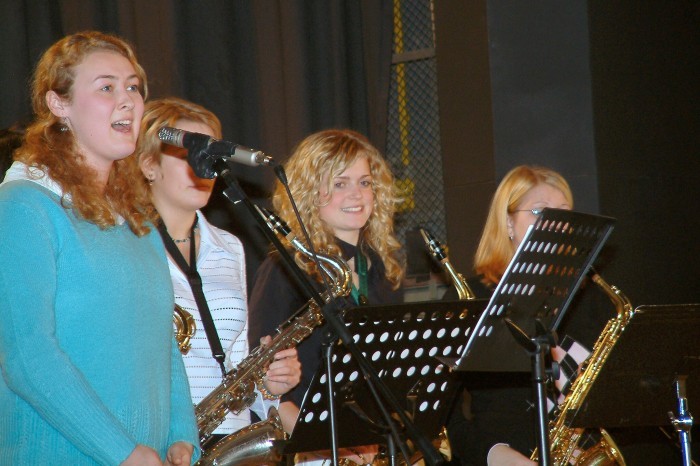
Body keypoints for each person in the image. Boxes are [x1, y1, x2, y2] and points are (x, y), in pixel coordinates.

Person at [0, 31, 198, 465]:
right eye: (107, 87)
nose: (127, 100)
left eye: (134, 87)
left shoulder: (137, 219)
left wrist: (182, 435)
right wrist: (123, 451)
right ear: (59, 104)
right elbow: (28, 357)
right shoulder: (23, 206)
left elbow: (162, 342)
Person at [133, 96, 301, 446]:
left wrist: (269, 384)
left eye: (210, 156)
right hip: (159, 439)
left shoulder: (229, 246)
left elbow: (234, 365)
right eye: (189, 154)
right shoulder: (121, 243)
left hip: (229, 438)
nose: (203, 167)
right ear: (149, 165)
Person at [248, 128, 405, 461]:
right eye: (340, 183)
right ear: (309, 193)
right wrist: (331, 446)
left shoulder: (382, 272)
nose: (357, 194)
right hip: (312, 449)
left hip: (368, 444)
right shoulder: (284, 269)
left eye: (365, 182)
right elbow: (264, 388)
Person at [443, 165, 613, 466]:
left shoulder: (593, 296)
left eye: (564, 213)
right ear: (508, 223)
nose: (557, 224)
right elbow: (445, 414)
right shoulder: (470, 299)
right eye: (540, 211)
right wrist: (496, 455)